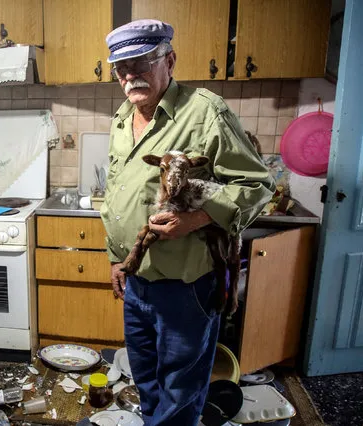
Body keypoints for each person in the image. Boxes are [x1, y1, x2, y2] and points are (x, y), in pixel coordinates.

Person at [101, 19, 275, 425]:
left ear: (169, 60)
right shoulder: (123, 118)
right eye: (121, 68)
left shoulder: (206, 111)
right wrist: (117, 258)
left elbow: (256, 186)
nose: (130, 76)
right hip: (137, 281)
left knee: (181, 389)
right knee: (145, 380)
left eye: (141, 62)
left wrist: (196, 218)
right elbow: (116, 192)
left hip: (186, 285)